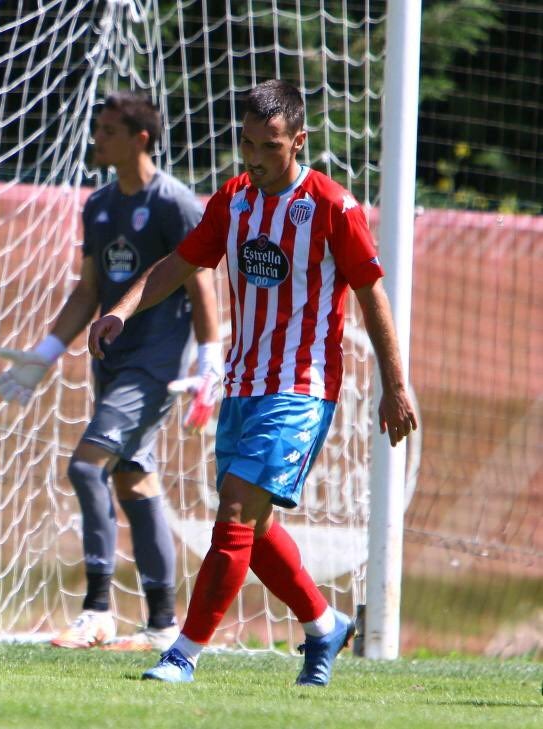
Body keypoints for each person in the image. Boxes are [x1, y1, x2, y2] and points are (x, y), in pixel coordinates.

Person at [88, 79, 417, 685]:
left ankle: (181, 653)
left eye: (270, 146)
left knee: (236, 510)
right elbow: (179, 264)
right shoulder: (234, 200)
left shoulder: (331, 206)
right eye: (247, 145)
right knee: (254, 526)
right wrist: (122, 309)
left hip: (300, 386)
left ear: (299, 140)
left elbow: (372, 292)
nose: (256, 159)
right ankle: (324, 625)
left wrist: (396, 386)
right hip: (241, 383)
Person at [0, 92, 222, 652]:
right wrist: (44, 354)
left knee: (85, 466)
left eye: (108, 130)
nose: (97, 139)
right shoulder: (97, 205)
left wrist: (209, 358)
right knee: (132, 480)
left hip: (154, 368)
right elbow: (88, 292)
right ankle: (163, 624)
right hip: (112, 364)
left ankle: (97, 611)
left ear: (140, 138)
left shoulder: (174, 203)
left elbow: (201, 282)